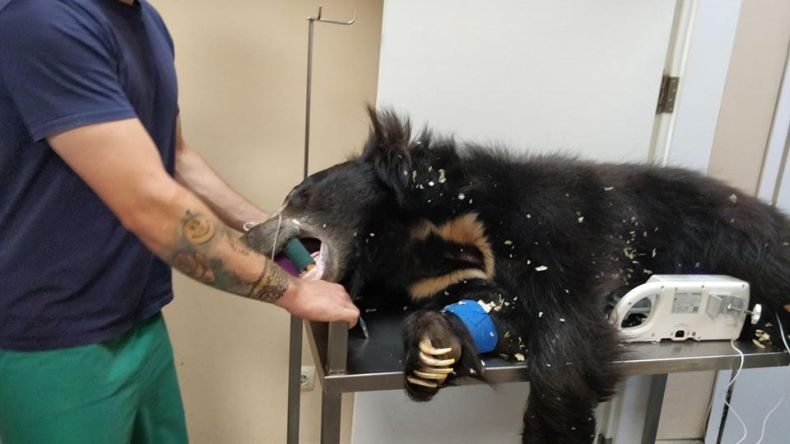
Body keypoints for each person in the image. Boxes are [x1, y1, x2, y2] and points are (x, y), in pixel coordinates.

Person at [0, 0, 360, 442]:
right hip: (54, 341)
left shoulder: (146, 22)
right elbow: (149, 202)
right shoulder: (43, 19)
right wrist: (294, 293)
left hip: (139, 318)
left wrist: (271, 227)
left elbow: (175, 155)